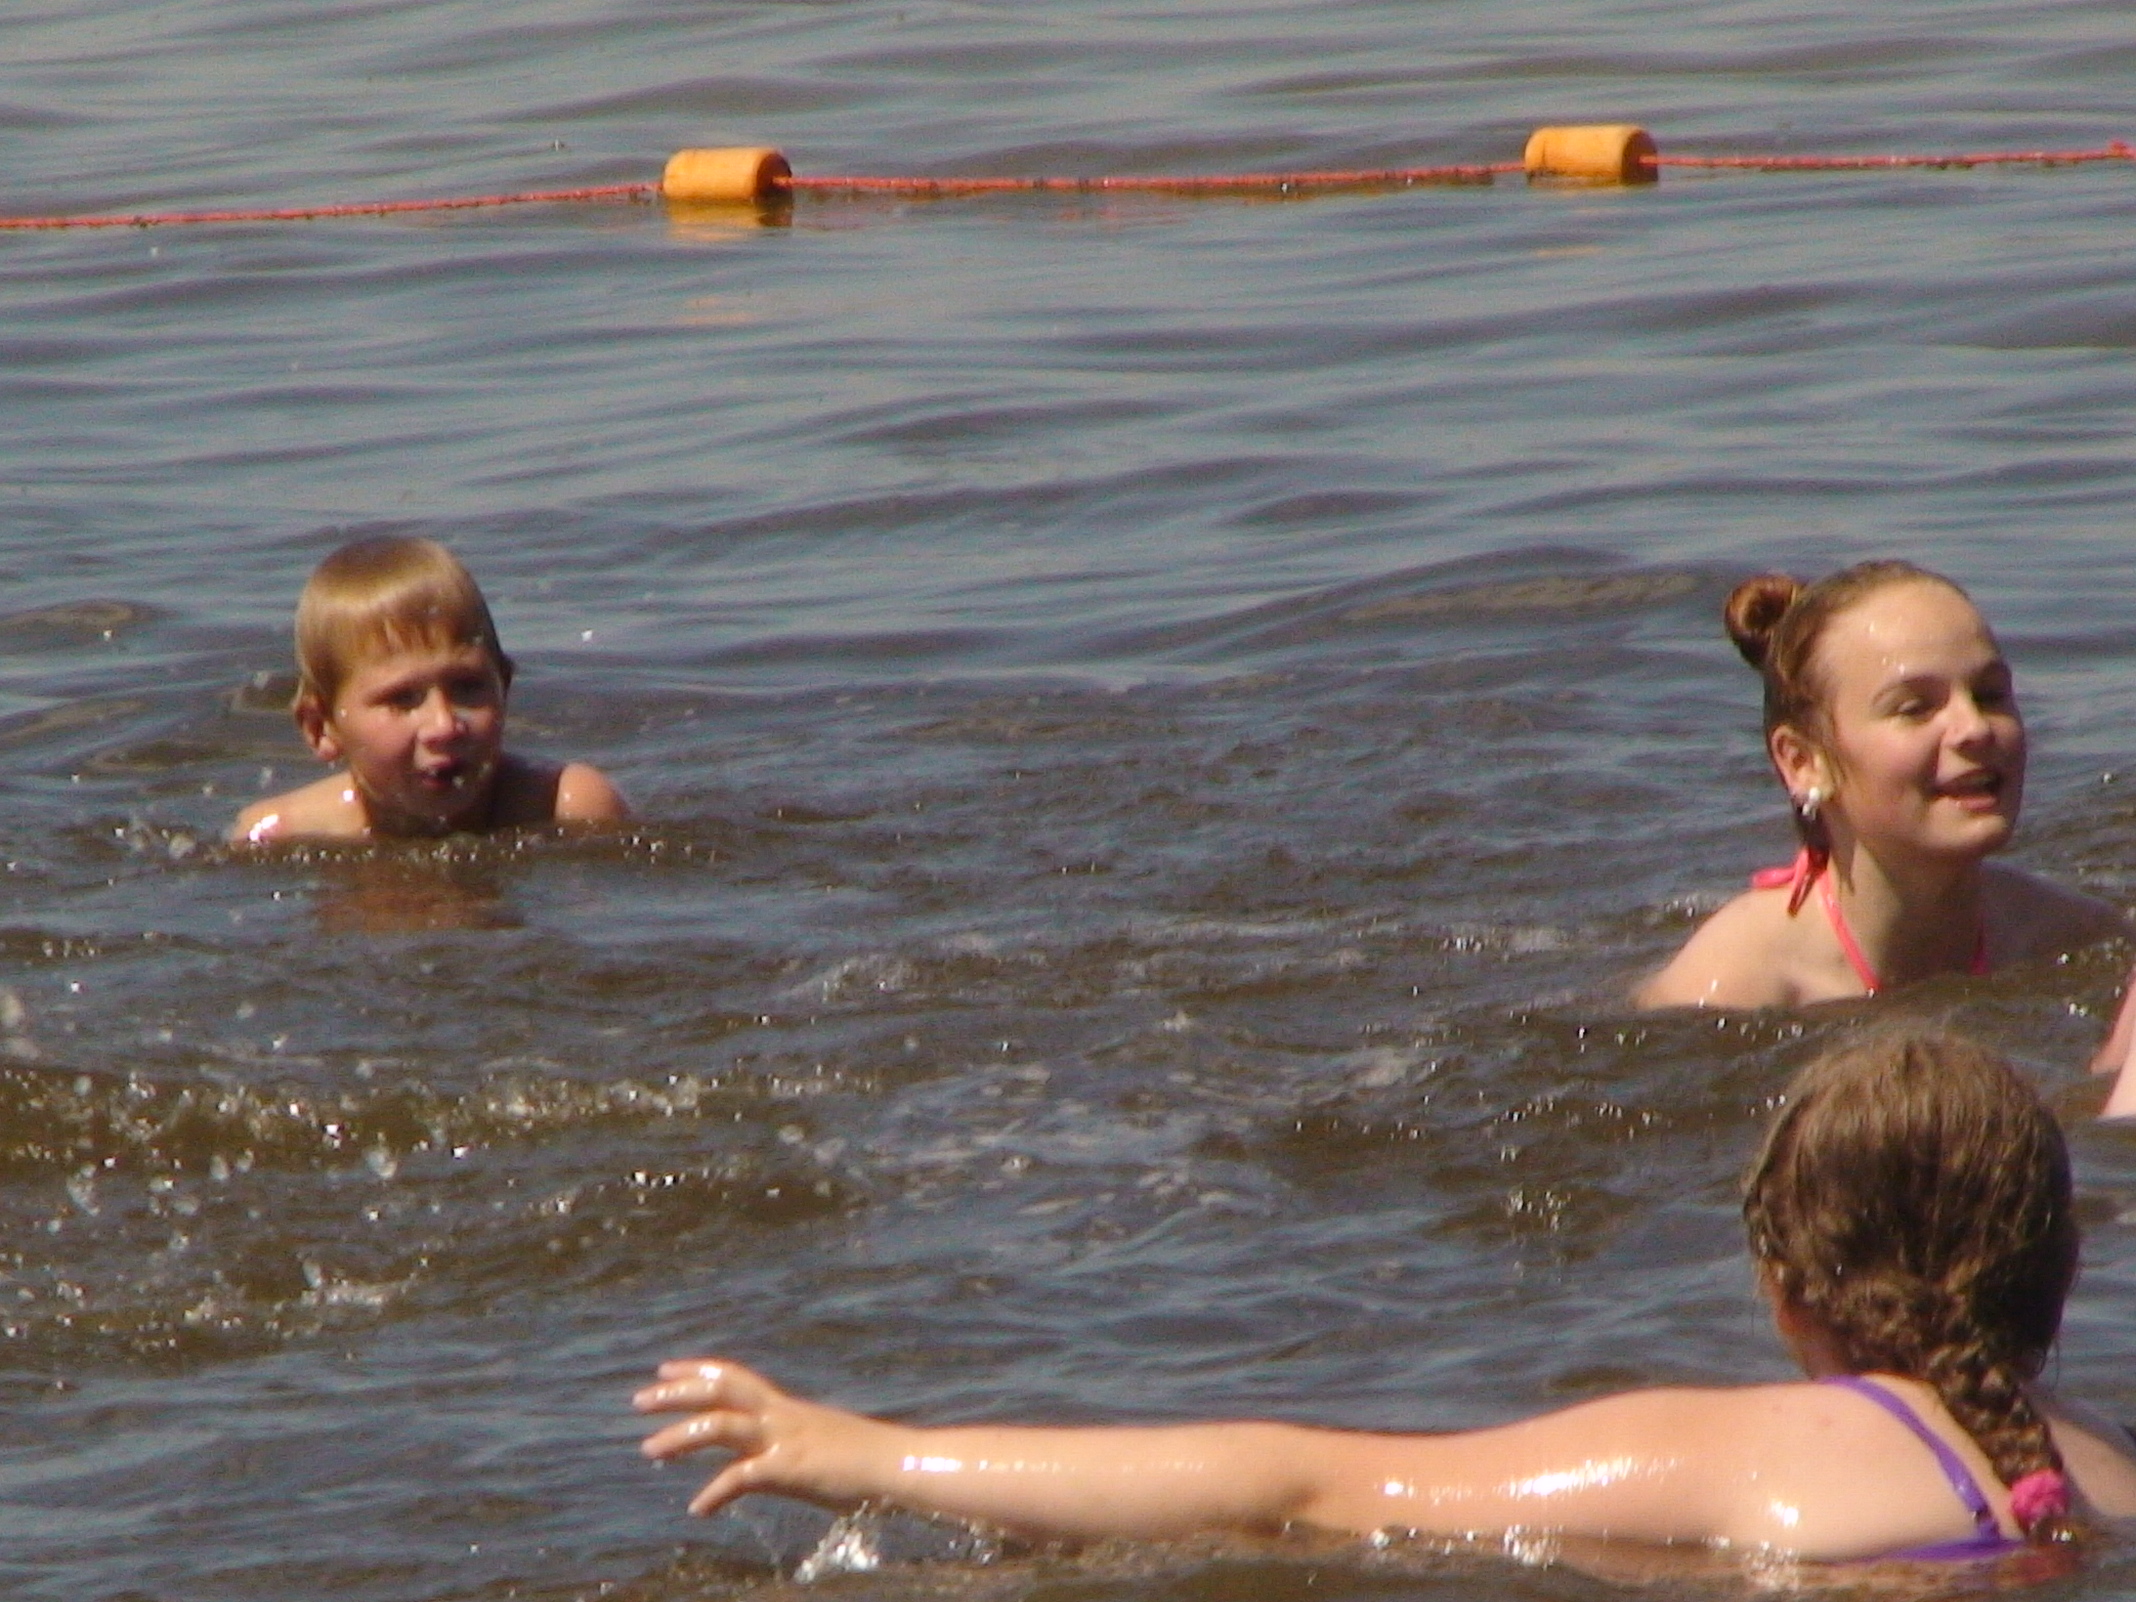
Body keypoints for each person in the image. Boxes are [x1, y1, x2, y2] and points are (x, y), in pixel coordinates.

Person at [635, 1032, 2136, 1563]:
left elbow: (1290, 1482)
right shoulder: (2097, 1472)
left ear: (1786, 1288)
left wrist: (866, 1449)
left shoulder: (1748, 1449)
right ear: (2057, 1269)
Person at [1636, 561, 2123, 1008]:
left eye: (1990, 694)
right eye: (1915, 708)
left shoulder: (2081, 941)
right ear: (1804, 762)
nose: (1974, 728)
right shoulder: (1727, 990)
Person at [230, 537, 627, 843]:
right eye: (402, 698)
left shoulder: (567, 808)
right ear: (320, 727)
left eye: (467, 687)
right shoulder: (279, 836)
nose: (445, 725)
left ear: (503, 687)